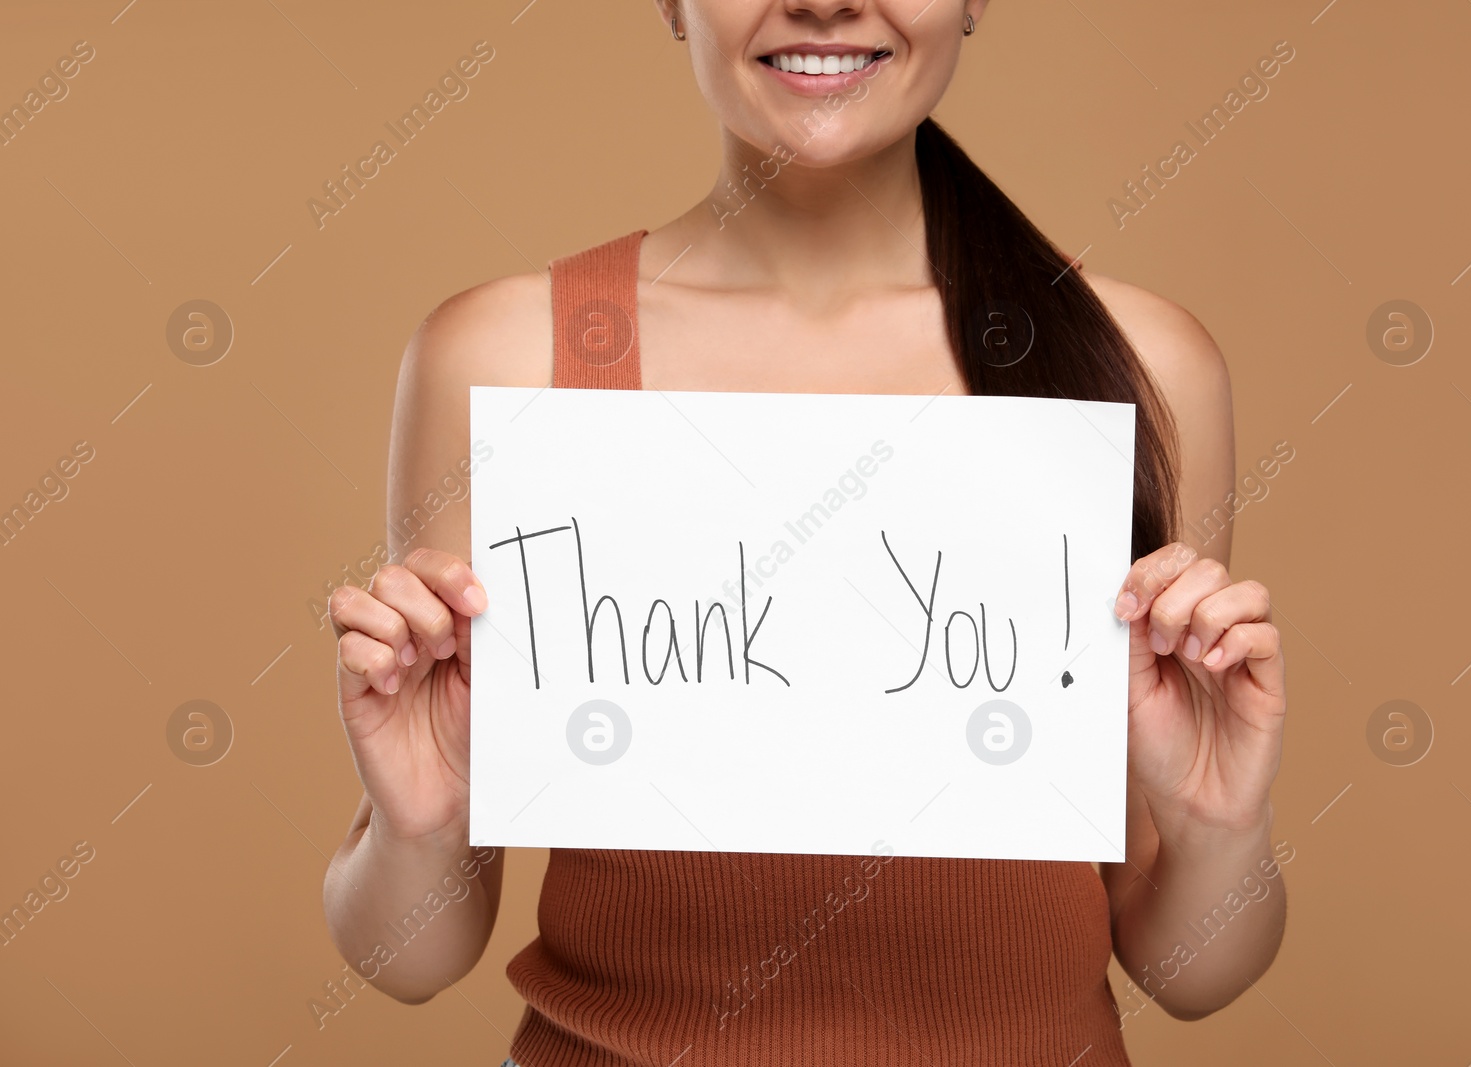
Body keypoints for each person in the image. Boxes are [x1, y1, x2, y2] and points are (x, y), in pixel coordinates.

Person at [323, 2, 1289, 1063]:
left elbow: (1194, 973)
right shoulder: (510, 357)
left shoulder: (1138, 365)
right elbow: (409, 958)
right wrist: (414, 824)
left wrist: (1217, 828)